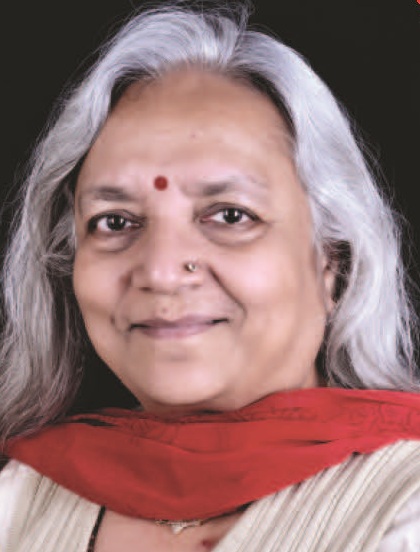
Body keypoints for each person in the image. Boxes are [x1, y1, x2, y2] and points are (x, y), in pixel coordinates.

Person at [1, 2, 420, 551]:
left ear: (331, 260)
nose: (161, 271)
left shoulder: (407, 504)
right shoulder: (19, 498)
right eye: (115, 222)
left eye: (230, 215)